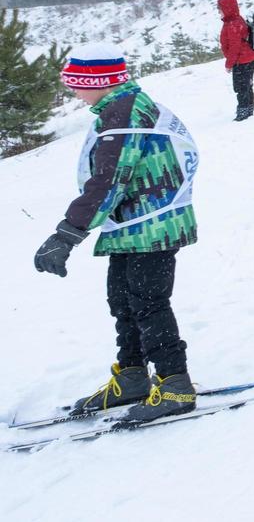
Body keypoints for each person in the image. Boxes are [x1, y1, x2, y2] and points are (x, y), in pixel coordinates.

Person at [34, 44, 200, 424]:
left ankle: (175, 385)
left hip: (152, 224)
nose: (73, 91)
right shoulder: (119, 107)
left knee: (149, 303)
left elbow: (109, 181)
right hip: (134, 224)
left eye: (77, 83)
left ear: (98, 82)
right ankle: (133, 377)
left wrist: (66, 235)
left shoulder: (124, 112)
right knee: (123, 301)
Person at [217, 0, 254, 120]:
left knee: (241, 88)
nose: (219, 12)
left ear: (227, 9)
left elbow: (235, 47)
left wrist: (229, 64)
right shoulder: (235, 20)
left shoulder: (233, 24)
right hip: (250, 58)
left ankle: (243, 113)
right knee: (247, 85)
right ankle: (249, 110)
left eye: (220, 9)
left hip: (242, 61)